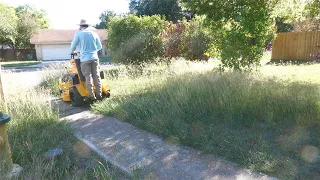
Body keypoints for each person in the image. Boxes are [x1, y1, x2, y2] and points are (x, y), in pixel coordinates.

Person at [71, 19, 103, 102]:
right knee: (96, 76)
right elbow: (99, 47)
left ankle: (92, 96)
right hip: (94, 58)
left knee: (88, 77)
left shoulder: (79, 34)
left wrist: (74, 52)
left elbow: (73, 47)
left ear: (81, 26)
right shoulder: (94, 33)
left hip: (85, 59)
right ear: (88, 26)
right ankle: (99, 94)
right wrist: (92, 50)